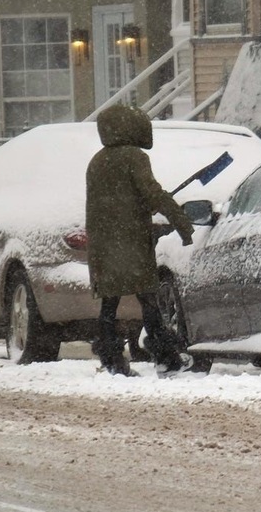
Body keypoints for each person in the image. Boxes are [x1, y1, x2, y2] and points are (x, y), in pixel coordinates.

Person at [86, 105, 195, 377]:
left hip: (103, 245)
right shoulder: (135, 158)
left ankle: (111, 358)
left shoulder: (97, 162)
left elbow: (108, 203)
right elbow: (152, 193)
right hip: (132, 242)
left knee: (109, 304)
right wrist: (181, 222)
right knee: (149, 302)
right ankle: (165, 356)